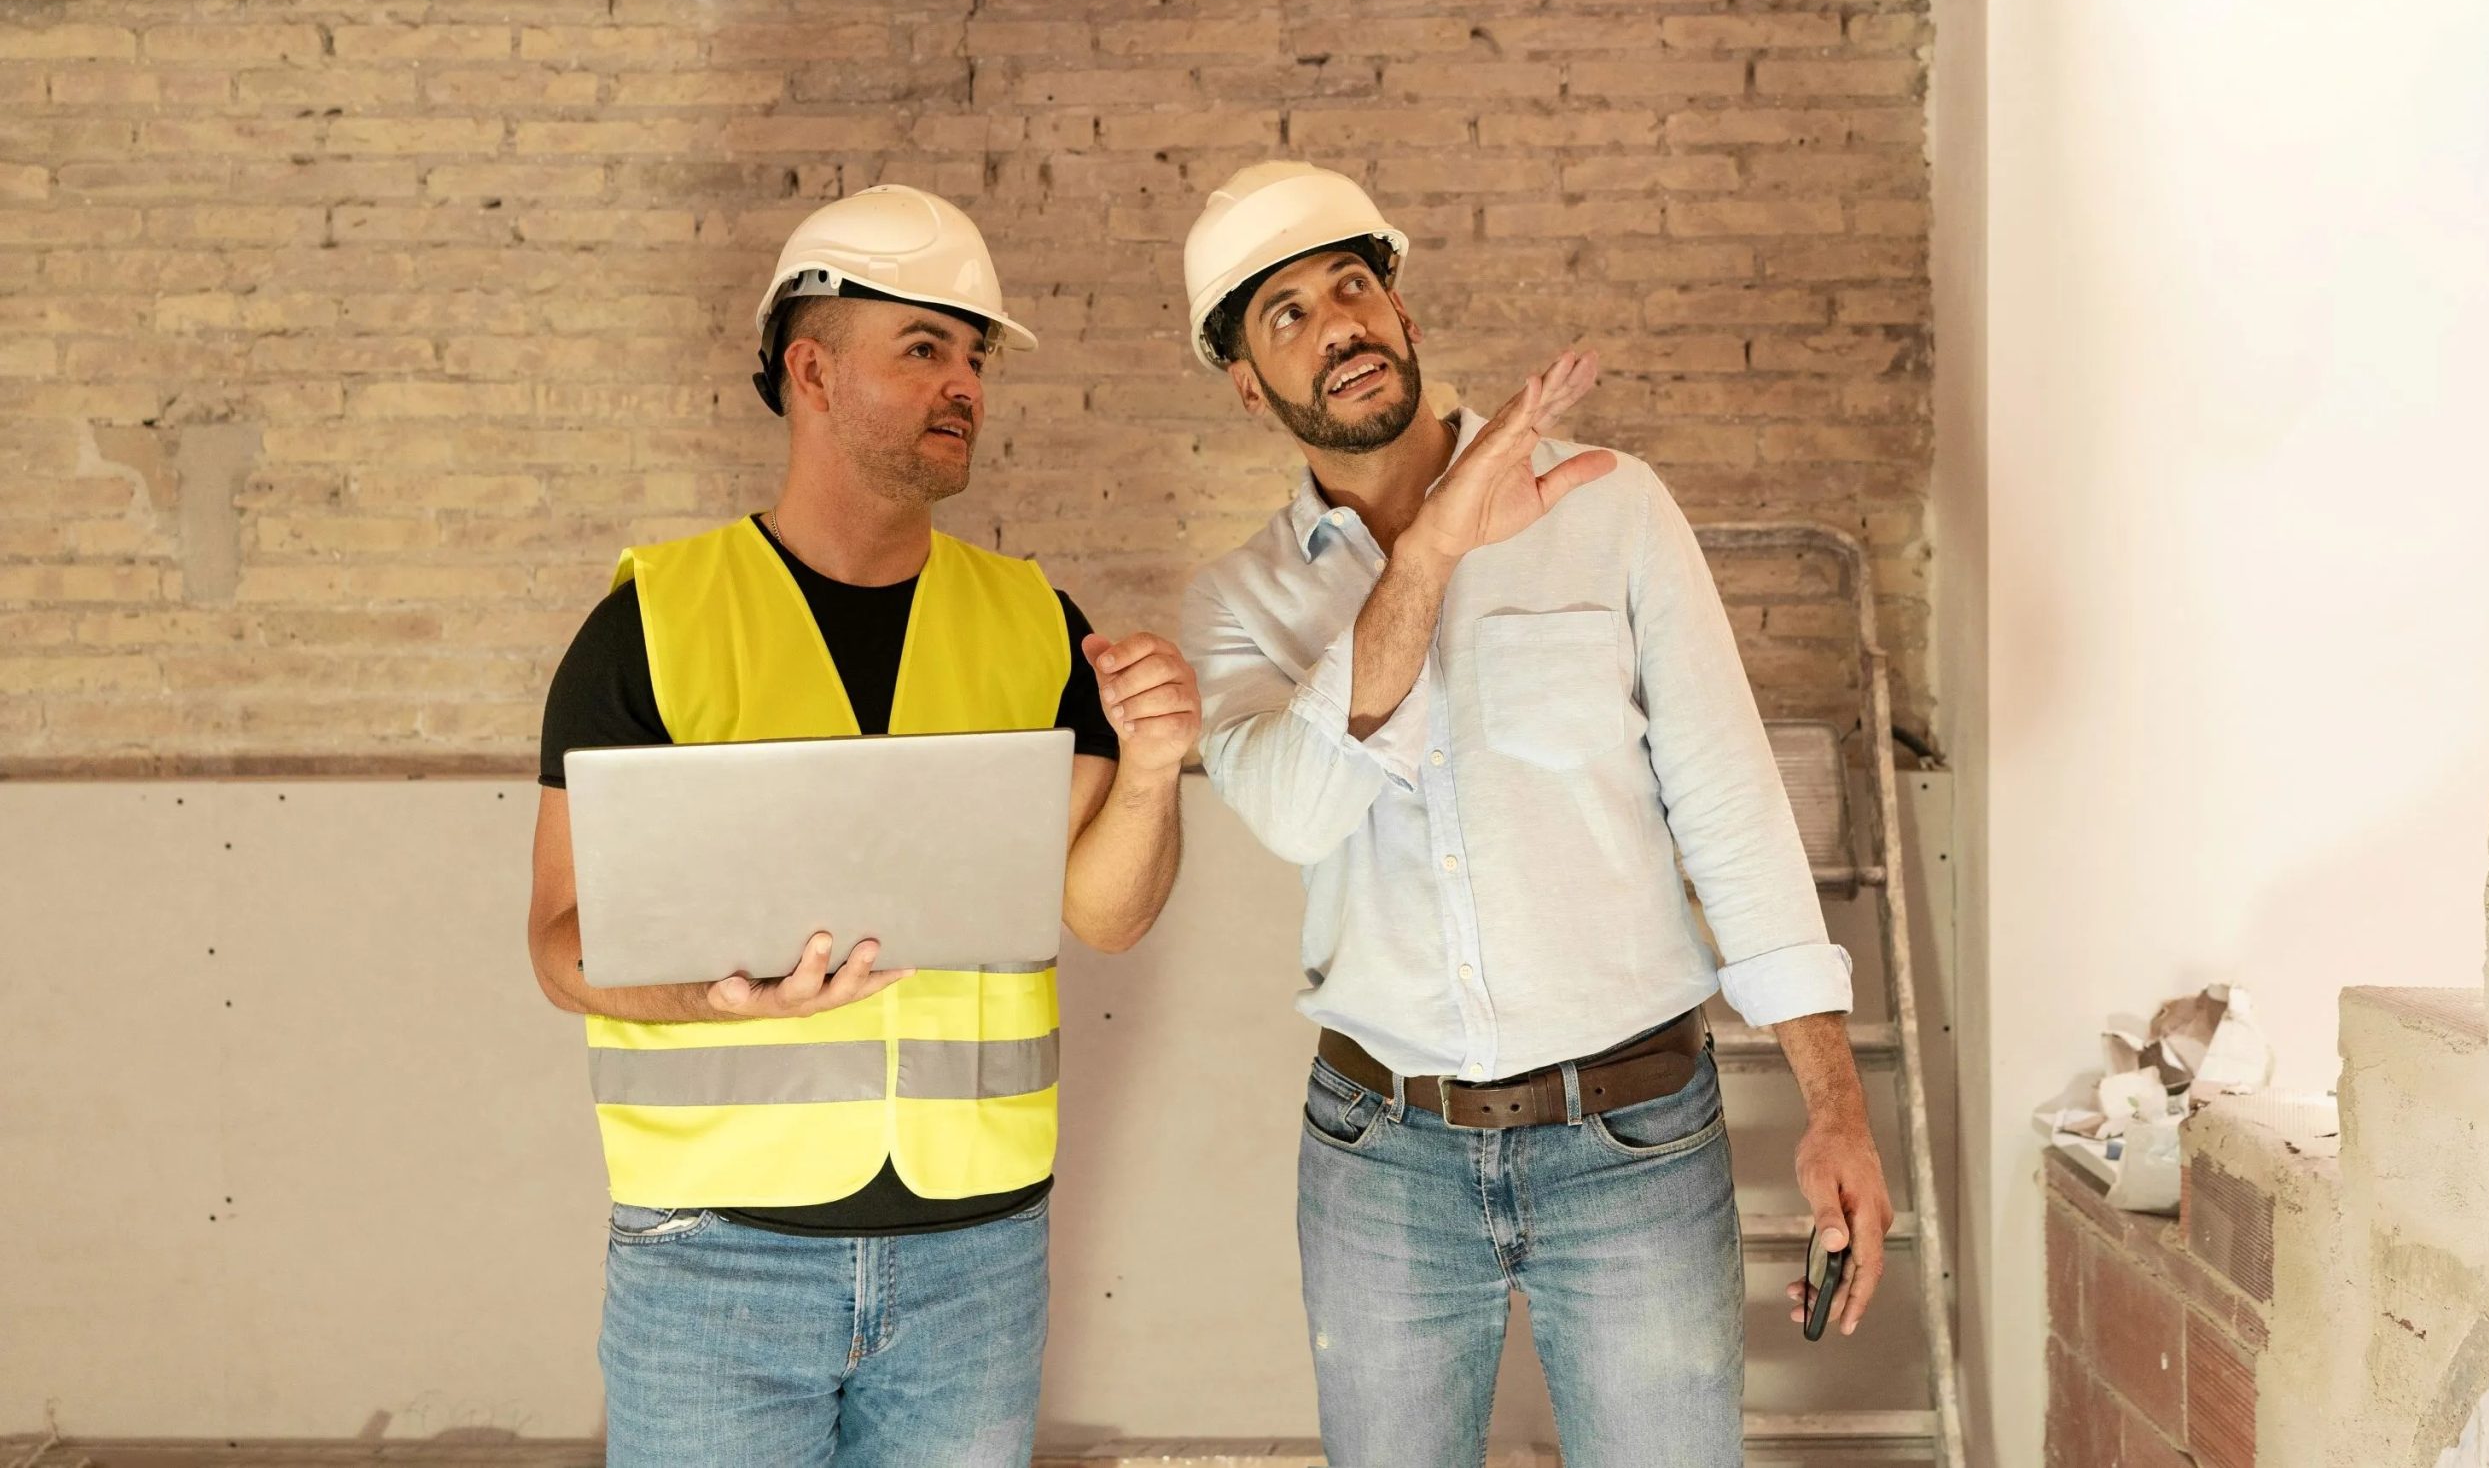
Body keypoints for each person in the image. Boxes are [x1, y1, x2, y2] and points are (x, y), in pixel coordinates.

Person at [1176, 162, 1892, 1468]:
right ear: (1244, 381)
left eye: (1354, 284)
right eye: (1286, 312)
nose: (1338, 322)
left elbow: (1733, 812)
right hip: (1379, 1156)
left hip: (1638, 1141)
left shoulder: (1612, 507)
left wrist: (1835, 1102)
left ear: (1400, 309)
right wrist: (1438, 544)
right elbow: (1294, 807)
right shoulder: (1239, 606)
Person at [526, 184, 1200, 1468]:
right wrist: (712, 1003)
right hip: (716, 1256)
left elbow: (1107, 911)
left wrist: (1157, 769)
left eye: (975, 356)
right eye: (925, 348)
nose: (966, 385)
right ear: (812, 370)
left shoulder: (1032, 621)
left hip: (977, 1256)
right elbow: (558, 949)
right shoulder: (653, 626)